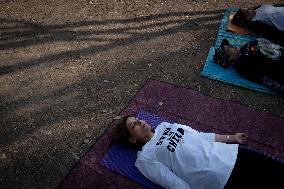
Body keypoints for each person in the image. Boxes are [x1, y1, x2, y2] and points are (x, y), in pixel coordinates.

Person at [116, 115, 283, 189]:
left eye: (137, 118)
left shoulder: (165, 126)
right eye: (133, 125)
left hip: (231, 153)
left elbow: (200, 136)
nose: (139, 121)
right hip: (219, 178)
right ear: (132, 139)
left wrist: (231, 138)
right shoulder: (145, 158)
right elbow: (173, 183)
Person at [213, 38, 284, 94]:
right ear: (229, 58)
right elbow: (262, 78)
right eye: (228, 49)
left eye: (229, 45)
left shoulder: (244, 48)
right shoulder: (241, 65)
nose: (231, 46)